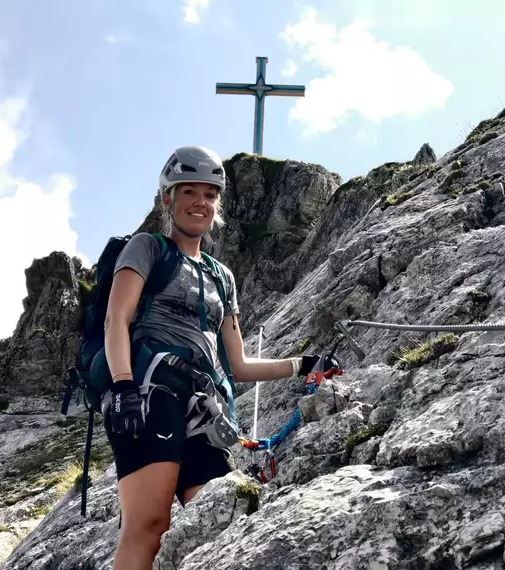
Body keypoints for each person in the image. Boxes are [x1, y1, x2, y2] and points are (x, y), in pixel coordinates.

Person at [101, 145, 338, 570]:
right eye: (187, 191)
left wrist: (302, 365)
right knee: (149, 525)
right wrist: (122, 386)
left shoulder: (222, 277)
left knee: (221, 517)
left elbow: (241, 364)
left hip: (204, 407)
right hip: (148, 395)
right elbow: (116, 320)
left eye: (209, 194)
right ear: (166, 199)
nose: (200, 202)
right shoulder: (147, 248)